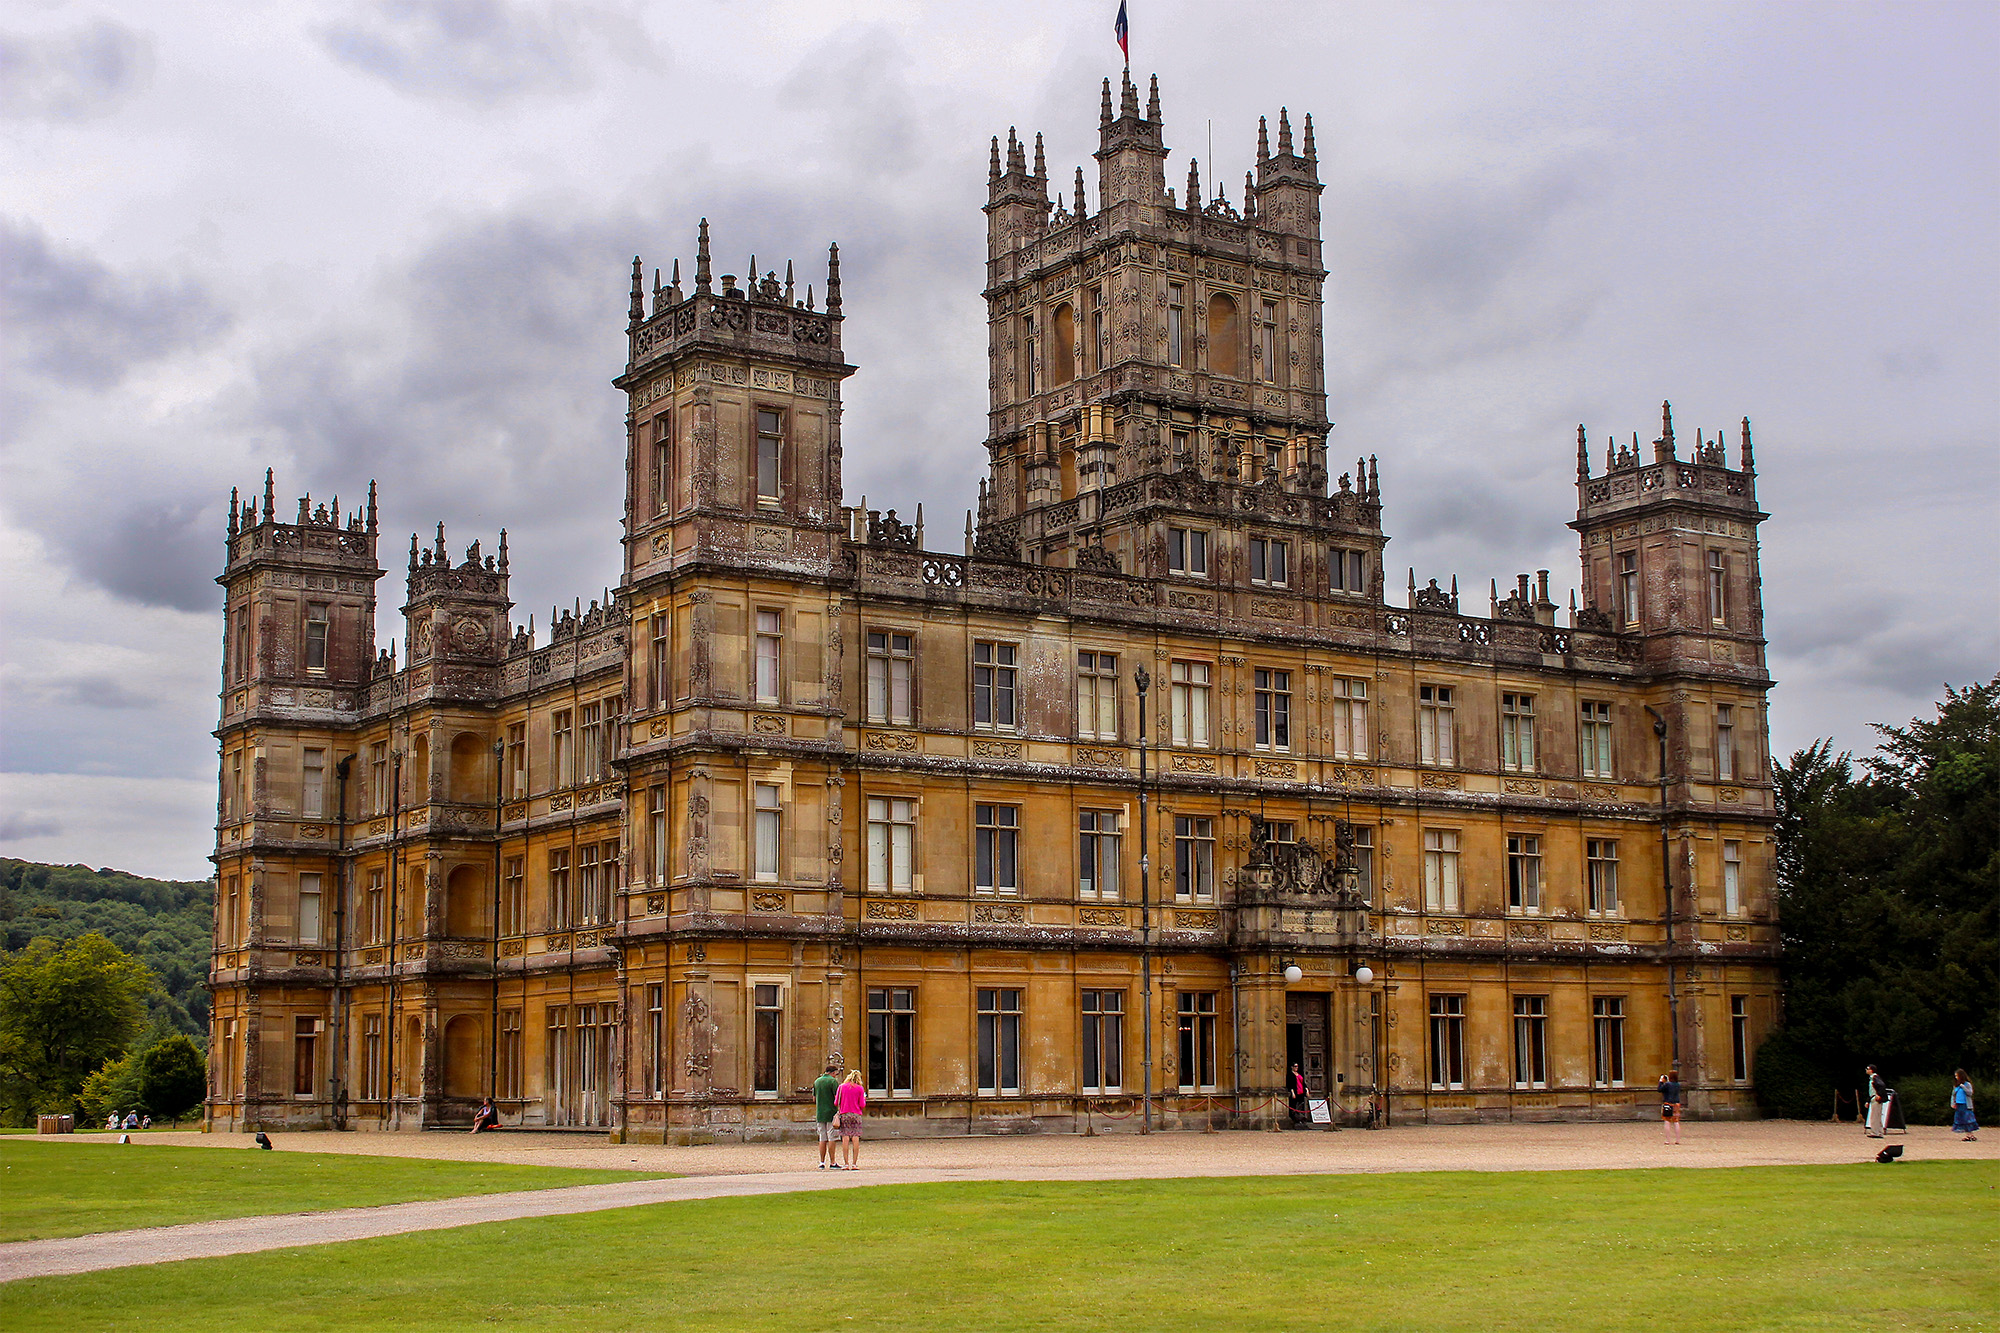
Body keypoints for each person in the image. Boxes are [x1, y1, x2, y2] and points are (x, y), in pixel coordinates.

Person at [812, 1061, 843, 1168]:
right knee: (832, 1138)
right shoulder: (833, 1082)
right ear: (832, 1073)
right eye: (835, 1073)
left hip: (820, 1113)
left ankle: (821, 1162)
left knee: (822, 1138)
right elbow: (837, 1098)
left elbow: (814, 1098)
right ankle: (833, 1162)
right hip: (831, 1113)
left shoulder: (817, 1081)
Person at [835, 1070, 867, 1169]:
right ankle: (854, 1163)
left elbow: (836, 1103)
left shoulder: (841, 1087)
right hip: (856, 1114)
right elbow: (862, 1104)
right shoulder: (860, 1089)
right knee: (855, 1137)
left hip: (844, 1114)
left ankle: (846, 1163)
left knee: (845, 1137)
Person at [1951, 1070, 1979, 1142]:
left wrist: (1963, 1087)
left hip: (1966, 1105)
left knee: (1968, 1120)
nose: (1956, 1077)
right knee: (1962, 1120)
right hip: (1958, 1105)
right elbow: (1953, 1095)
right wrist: (1953, 1103)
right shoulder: (1956, 1085)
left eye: (1957, 1076)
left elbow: (1970, 1093)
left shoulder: (1967, 1084)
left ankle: (1971, 1135)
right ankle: (1968, 1135)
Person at [1865, 1065, 1891, 1138]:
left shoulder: (1875, 1078)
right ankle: (1879, 1132)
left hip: (1875, 1099)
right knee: (1877, 1116)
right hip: (1873, 1098)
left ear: (1871, 1070)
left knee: (1875, 1116)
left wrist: (1879, 1095)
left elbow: (1881, 1086)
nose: (1866, 1070)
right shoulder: (1873, 1078)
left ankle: (1875, 1132)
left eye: (1868, 1069)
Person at [1658, 1069, 1683, 1144]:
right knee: (1676, 1122)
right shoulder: (1678, 1084)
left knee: (1667, 1121)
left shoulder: (1668, 1084)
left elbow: (1659, 1089)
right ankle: (1678, 1140)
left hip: (1668, 1103)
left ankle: (1668, 1140)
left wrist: (1661, 1081)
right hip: (1676, 1104)